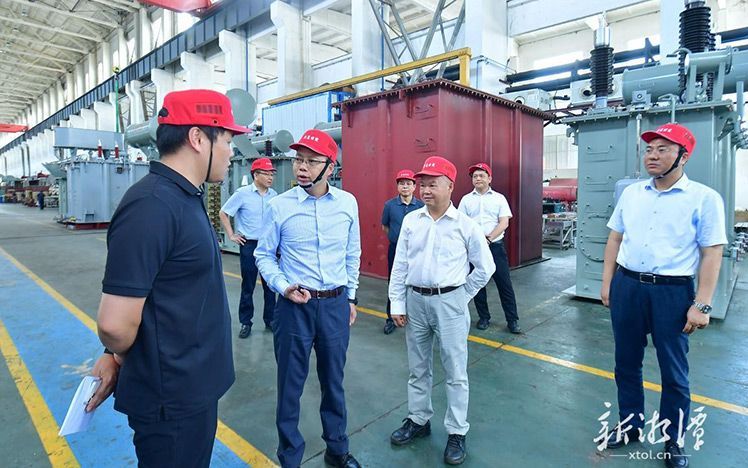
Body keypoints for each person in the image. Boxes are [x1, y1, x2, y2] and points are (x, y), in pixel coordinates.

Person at [91, 89, 247, 467]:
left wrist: (116, 354)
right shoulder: (152, 205)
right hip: (171, 400)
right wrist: (116, 353)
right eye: (227, 140)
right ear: (197, 138)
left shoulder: (183, 197)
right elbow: (113, 324)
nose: (231, 152)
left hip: (190, 390)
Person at [600, 123, 726, 468]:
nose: (652, 156)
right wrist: (608, 282)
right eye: (649, 150)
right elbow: (615, 239)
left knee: (674, 371)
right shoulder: (632, 194)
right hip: (627, 286)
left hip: (672, 292)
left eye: (663, 149)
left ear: (683, 156)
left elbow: (712, 252)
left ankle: (674, 439)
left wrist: (702, 304)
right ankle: (630, 425)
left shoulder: (704, 198)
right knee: (626, 362)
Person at [255, 129, 362, 468]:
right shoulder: (279, 206)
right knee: (290, 386)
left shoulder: (347, 204)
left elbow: (352, 253)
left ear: (330, 167)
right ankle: (290, 458)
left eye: (311, 161)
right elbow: (264, 255)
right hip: (293, 308)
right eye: (298, 160)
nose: (302, 167)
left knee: (334, 382)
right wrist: (283, 286)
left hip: (334, 304)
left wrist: (351, 297)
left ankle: (337, 449)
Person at [388, 156, 494, 465]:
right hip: (415, 301)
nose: (425, 190)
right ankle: (418, 419)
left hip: (450, 302)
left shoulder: (465, 225)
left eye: (432, 184)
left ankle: (457, 431)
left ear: (450, 186)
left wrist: (462, 296)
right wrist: (397, 302)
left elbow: (485, 267)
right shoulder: (412, 221)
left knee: (455, 371)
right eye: (422, 184)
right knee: (418, 367)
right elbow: (400, 265)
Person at [457, 163, 521, 333]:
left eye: (481, 175)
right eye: (475, 176)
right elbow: (461, 224)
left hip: (495, 248)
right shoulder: (466, 200)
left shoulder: (499, 198)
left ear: (489, 178)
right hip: (473, 250)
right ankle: (484, 317)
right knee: (477, 284)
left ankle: (512, 320)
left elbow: (504, 222)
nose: (478, 178)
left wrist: (489, 239)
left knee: (504, 284)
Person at [219, 157, 278, 338]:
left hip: (268, 246)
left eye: (272, 174)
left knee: (270, 285)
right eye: (266, 174)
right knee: (248, 286)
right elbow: (223, 213)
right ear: (256, 175)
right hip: (249, 245)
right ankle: (246, 322)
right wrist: (231, 235)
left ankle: (270, 320)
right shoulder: (242, 194)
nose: (270, 177)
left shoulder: (274, 195)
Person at [381, 169, 424, 335]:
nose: (405, 186)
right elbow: (385, 226)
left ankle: (415, 317)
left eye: (408, 183)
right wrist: (396, 239)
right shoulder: (389, 205)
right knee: (394, 282)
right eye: (401, 183)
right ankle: (390, 318)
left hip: (417, 250)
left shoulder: (421, 206)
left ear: (414, 187)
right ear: (397, 186)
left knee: (416, 282)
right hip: (395, 250)